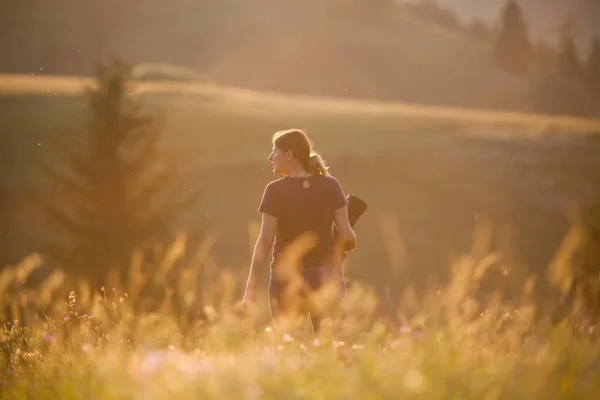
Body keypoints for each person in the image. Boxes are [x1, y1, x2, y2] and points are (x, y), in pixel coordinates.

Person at [241, 129, 357, 333]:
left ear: (289, 154)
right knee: (331, 346)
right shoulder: (331, 186)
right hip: (326, 278)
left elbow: (264, 242)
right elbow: (348, 238)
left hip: (285, 280)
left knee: (290, 350)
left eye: (274, 151)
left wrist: (249, 290)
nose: (270, 157)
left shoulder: (274, 191)